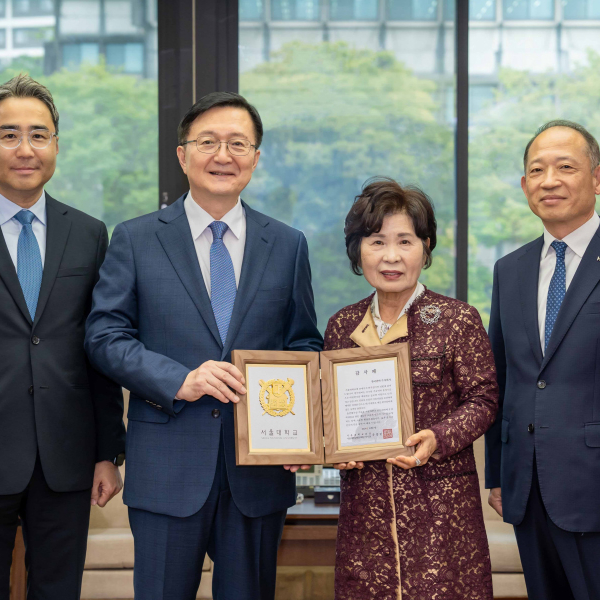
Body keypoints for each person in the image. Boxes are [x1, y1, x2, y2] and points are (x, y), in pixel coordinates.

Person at [85, 91, 323, 600]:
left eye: (238, 144)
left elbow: (303, 341)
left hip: (257, 476)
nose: (223, 155)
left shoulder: (287, 244)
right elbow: (104, 337)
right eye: (208, 141)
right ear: (182, 154)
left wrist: (301, 429)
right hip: (167, 469)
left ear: (256, 159)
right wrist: (180, 379)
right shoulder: (136, 238)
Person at [324, 177, 498, 600]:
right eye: (377, 241)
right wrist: (335, 450)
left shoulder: (458, 319)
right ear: (357, 250)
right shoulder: (342, 326)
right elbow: (327, 410)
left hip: (441, 509)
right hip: (366, 513)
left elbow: (485, 398)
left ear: (425, 247)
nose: (391, 256)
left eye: (405, 241)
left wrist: (438, 436)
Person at [0, 74, 125, 599]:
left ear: (56, 145)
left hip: (65, 456)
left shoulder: (90, 233)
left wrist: (107, 451)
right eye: (8, 134)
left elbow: (97, 347)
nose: (25, 149)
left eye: (38, 134)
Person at [485, 120, 600, 600]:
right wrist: (496, 474)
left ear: (597, 179)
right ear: (524, 185)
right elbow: (501, 378)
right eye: (537, 169)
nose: (549, 180)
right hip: (527, 486)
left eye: (565, 167)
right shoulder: (509, 269)